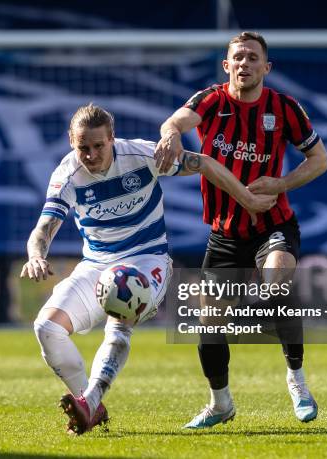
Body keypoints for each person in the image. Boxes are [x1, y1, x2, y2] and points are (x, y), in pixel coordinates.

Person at [21, 103, 276, 435]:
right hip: (97, 264)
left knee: (119, 315)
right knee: (46, 328)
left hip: (147, 259)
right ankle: (90, 402)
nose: (92, 154)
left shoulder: (142, 157)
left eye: (99, 146)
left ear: (112, 138)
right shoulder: (67, 174)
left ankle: (90, 400)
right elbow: (44, 228)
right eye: (84, 147)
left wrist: (245, 198)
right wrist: (36, 255)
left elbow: (204, 163)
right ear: (72, 141)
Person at [155, 31, 327, 427]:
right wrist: (170, 133)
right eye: (239, 57)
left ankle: (297, 380)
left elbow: (320, 159)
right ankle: (220, 404)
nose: (245, 63)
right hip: (225, 232)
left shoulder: (285, 108)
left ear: (266, 67)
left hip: (273, 222)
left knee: (277, 282)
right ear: (226, 65)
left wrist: (282, 184)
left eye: (253, 58)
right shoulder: (212, 100)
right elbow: (177, 120)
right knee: (209, 324)